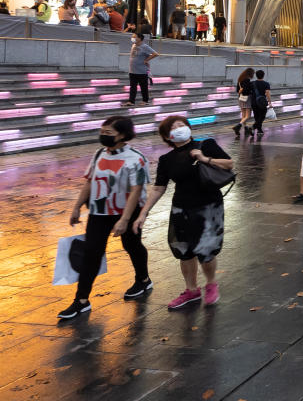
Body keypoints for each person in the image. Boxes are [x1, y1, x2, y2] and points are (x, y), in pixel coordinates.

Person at [56, 116, 152, 320]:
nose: (103, 135)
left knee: (132, 245)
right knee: (91, 252)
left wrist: (125, 219)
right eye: (102, 131)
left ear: (123, 135)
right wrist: (76, 207)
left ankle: (143, 279)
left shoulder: (136, 158)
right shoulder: (99, 154)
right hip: (99, 210)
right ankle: (81, 300)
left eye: (109, 133)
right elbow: (90, 182)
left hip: (128, 211)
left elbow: (136, 191)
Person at [135, 116, 233, 310]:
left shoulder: (206, 144)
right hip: (181, 208)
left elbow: (229, 164)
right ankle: (191, 290)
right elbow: (158, 188)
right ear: (167, 136)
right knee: (183, 251)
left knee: (206, 249)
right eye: (174, 127)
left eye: (182, 125)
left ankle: (211, 283)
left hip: (208, 206)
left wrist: (204, 158)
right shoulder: (166, 159)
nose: (179, 128)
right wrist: (143, 213)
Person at [124, 34, 158, 106]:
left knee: (143, 87)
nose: (132, 38)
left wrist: (146, 60)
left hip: (142, 71)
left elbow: (155, 54)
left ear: (139, 38)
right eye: (132, 37)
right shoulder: (134, 45)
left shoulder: (145, 46)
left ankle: (145, 101)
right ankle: (131, 101)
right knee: (132, 87)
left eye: (134, 37)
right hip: (132, 71)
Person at [233, 67, 255, 138]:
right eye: (253, 73)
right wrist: (251, 90)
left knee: (243, 115)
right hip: (247, 99)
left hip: (241, 98)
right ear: (250, 74)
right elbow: (246, 91)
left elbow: (237, 90)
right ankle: (238, 126)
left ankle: (245, 128)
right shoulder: (247, 80)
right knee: (248, 116)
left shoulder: (240, 80)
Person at [250, 70, 271, 138]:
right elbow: (267, 93)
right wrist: (269, 102)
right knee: (262, 116)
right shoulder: (266, 83)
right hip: (261, 102)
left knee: (257, 116)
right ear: (263, 75)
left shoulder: (252, 83)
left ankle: (259, 130)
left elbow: (249, 93)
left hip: (253, 102)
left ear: (256, 75)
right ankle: (254, 127)